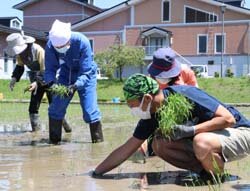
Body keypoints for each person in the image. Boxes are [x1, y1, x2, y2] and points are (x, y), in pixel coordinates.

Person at [92, 73, 250, 182]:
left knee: (202, 141)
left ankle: (219, 180)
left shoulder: (185, 93)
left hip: (240, 132)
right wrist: (96, 172)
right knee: (158, 144)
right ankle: (206, 175)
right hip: (210, 141)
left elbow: (228, 118)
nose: (133, 110)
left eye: (132, 105)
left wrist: (191, 130)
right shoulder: (151, 115)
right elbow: (128, 147)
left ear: (147, 98)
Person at [44, 19, 103, 144]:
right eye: (57, 47)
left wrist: (76, 85)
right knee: (56, 108)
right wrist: (51, 83)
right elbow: (50, 69)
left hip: (86, 75)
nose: (59, 48)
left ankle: (98, 141)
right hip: (66, 73)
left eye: (62, 46)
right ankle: (54, 143)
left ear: (68, 41)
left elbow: (86, 71)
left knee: (90, 110)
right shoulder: (50, 45)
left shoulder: (82, 42)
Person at [5, 33, 71, 132]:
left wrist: (36, 82)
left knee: (55, 106)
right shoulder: (20, 55)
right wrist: (14, 78)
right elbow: (19, 67)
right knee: (33, 107)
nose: (19, 54)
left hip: (50, 79)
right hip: (36, 81)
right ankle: (36, 131)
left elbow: (46, 70)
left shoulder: (38, 50)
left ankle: (67, 129)